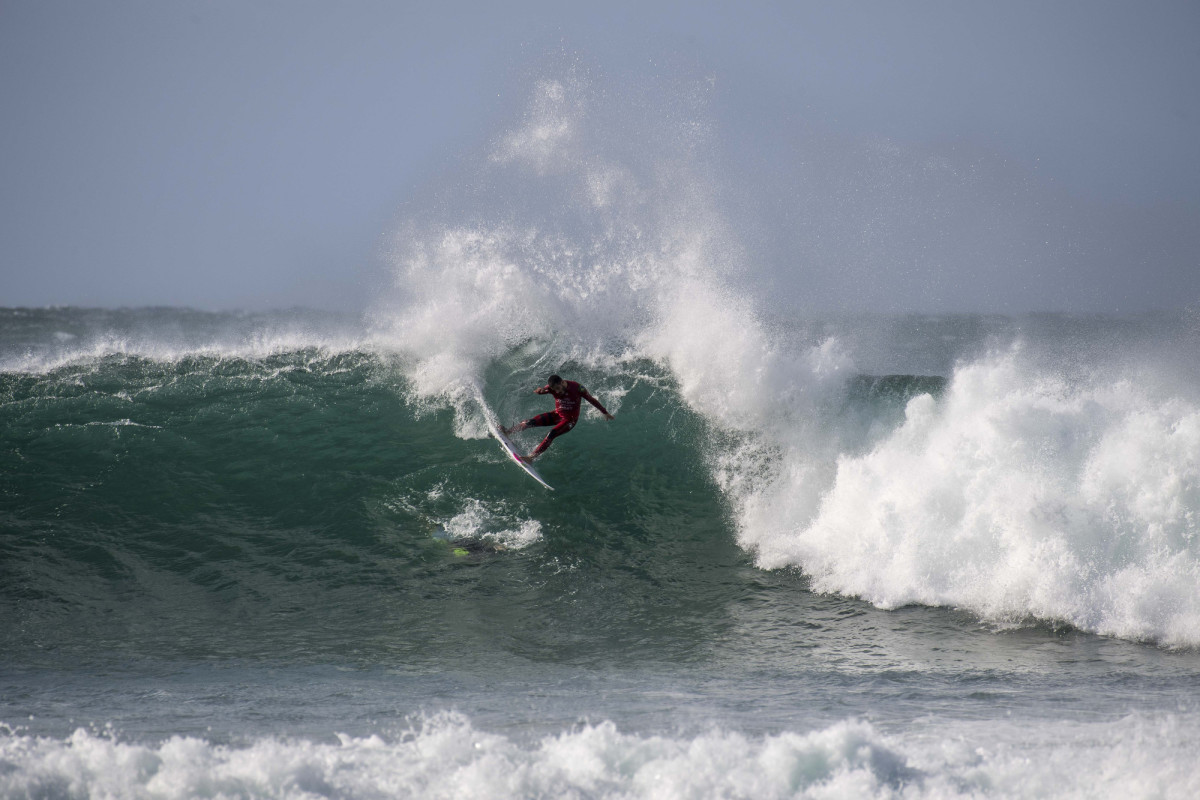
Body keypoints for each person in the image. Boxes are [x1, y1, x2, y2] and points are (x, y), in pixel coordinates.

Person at [502, 374, 614, 462]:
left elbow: (591, 399)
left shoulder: (578, 388)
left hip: (570, 420)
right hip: (557, 414)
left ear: (562, 382)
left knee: (552, 433)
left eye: (558, 388)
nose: (557, 391)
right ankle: (508, 432)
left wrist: (604, 412)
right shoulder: (552, 388)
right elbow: (544, 390)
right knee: (530, 422)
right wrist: (540, 392)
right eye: (555, 389)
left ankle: (531, 458)